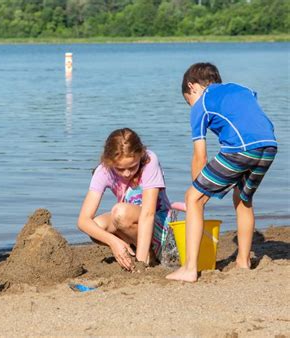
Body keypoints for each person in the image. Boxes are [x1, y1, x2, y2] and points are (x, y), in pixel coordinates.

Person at [166, 63, 278, 282]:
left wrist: (197, 194)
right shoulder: (240, 88)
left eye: (188, 100)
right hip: (269, 145)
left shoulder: (201, 104)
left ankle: (189, 269)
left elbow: (200, 156)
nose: (191, 105)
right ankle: (243, 262)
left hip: (241, 148)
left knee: (193, 198)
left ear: (192, 86)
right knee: (243, 198)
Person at [77, 128, 172, 270]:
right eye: (120, 169)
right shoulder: (103, 170)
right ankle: (132, 249)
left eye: (133, 167)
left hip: (160, 225)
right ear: (109, 162)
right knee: (97, 226)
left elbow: (148, 214)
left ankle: (146, 255)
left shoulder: (149, 161)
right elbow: (83, 221)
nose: (127, 173)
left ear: (140, 155)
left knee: (120, 212)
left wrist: (140, 264)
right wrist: (113, 241)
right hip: (132, 224)